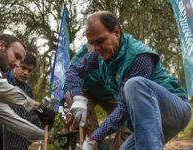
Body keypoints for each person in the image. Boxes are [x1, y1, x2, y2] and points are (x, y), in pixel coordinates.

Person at [65, 11, 191, 149]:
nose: (96, 48)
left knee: (134, 85)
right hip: (151, 124)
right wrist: (78, 97)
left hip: (174, 111)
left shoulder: (139, 56)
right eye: (92, 43)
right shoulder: (99, 56)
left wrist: (94, 138)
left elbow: (123, 109)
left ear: (117, 32)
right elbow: (73, 70)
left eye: (100, 41)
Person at [0, 34, 52, 149]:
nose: (17, 64)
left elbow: (12, 121)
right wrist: (37, 106)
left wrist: (45, 136)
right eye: (16, 56)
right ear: (1, 46)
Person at [64, 44, 131, 150]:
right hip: (87, 92)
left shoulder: (118, 52)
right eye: (93, 43)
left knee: (128, 121)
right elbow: (69, 78)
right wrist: (74, 102)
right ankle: (85, 144)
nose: (97, 48)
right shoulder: (82, 54)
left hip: (111, 94)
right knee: (83, 121)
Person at [3, 52, 55, 150]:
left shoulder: (27, 90)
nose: (26, 73)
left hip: (19, 132)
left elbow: (29, 115)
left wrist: (43, 119)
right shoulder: (1, 78)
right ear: (16, 64)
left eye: (29, 70)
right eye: (23, 68)